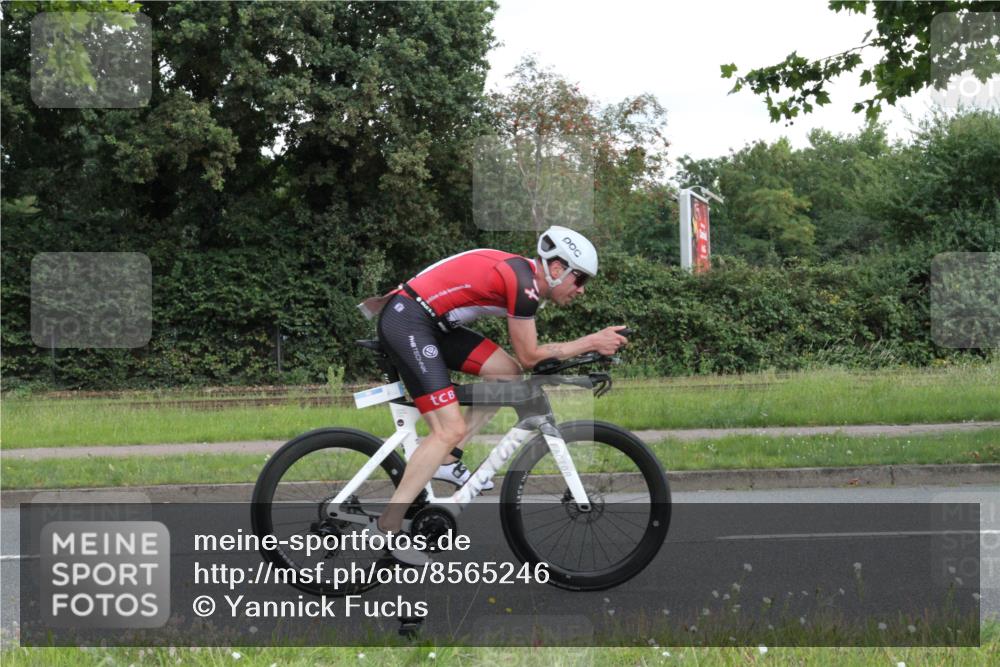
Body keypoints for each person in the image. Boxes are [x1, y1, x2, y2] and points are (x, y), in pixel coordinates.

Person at [371, 226, 629, 565]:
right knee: (447, 428)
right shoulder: (524, 285)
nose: (581, 291)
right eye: (580, 280)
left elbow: (520, 365)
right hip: (410, 321)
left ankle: (447, 459)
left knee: (506, 375)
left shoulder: (526, 279)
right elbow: (531, 356)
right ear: (556, 269)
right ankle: (388, 530)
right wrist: (590, 342)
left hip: (429, 322)